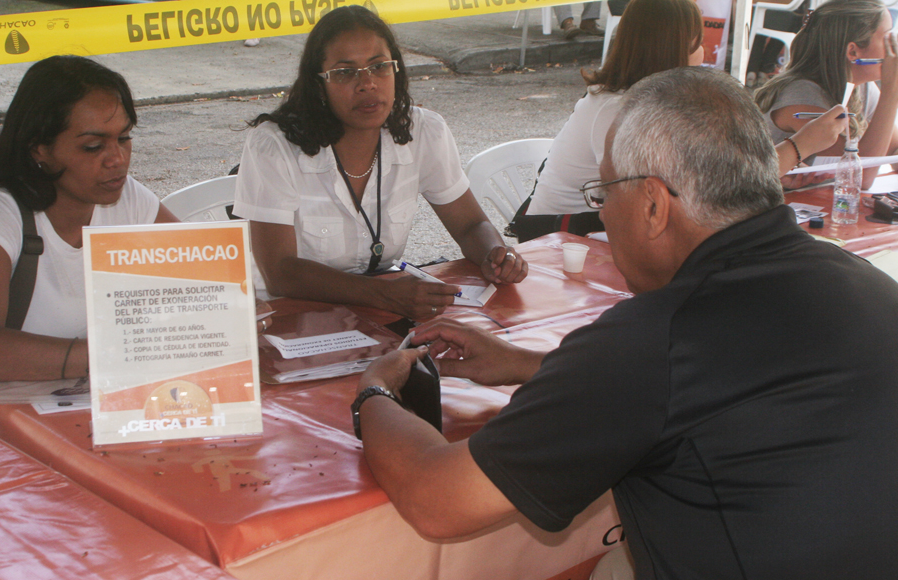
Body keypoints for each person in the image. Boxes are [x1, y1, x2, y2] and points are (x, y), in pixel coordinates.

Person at [352, 67, 898, 578]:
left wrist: (374, 391)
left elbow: (438, 499)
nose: (603, 215)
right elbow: (722, 384)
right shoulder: (868, 284)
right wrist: (530, 365)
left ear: (655, 205)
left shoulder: (655, 340)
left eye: (604, 194)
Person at [234, 6, 527, 321]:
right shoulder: (274, 145)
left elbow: (470, 225)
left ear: (396, 70)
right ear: (319, 85)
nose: (367, 84)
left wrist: (496, 254)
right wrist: (383, 294)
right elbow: (280, 271)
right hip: (291, 318)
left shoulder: (422, 131)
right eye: (346, 72)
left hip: (379, 313)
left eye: (379, 67)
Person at [0, 56, 179, 390]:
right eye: (93, 146)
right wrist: (118, 353)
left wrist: (232, 312)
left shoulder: (128, 198)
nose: (117, 159)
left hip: (57, 397)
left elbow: (209, 274)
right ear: (39, 149)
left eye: (124, 138)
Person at [523, 0, 703, 239]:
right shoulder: (615, 108)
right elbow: (639, 197)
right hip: (558, 237)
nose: (704, 51)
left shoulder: (645, 99)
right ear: (673, 49)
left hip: (597, 222)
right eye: (697, 42)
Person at [755, 0, 898, 189]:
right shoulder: (802, 96)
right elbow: (859, 178)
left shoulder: (861, 86)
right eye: (887, 37)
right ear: (853, 51)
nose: (893, 46)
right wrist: (892, 92)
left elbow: (893, 147)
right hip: (775, 210)